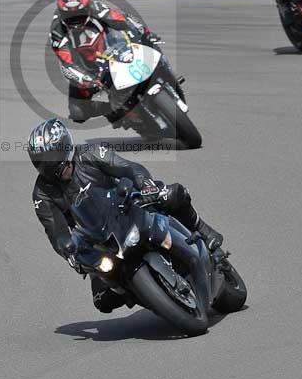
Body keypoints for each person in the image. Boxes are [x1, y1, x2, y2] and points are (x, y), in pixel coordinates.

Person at [28, 118, 223, 313]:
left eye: (53, 159)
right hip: (97, 239)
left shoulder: (91, 153)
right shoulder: (42, 194)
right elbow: (56, 232)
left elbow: (128, 168)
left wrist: (145, 183)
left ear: (65, 146)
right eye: (42, 162)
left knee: (173, 195)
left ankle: (203, 230)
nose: (51, 167)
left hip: (128, 206)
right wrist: (69, 252)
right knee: (102, 301)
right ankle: (148, 295)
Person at [49, 0, 163, 123]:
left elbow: (123, 19)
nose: (75, 17)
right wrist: (87, 79)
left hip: (112, 49)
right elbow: (67, 62)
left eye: (80, 11)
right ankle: (116, 112)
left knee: (149, 42)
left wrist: (145, 33)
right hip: (86, 68)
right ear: (61, 11)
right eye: (69, 14)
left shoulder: (96, 7)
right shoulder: (57, 30)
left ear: (86, 6)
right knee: (78, 113)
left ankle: (163, 72)